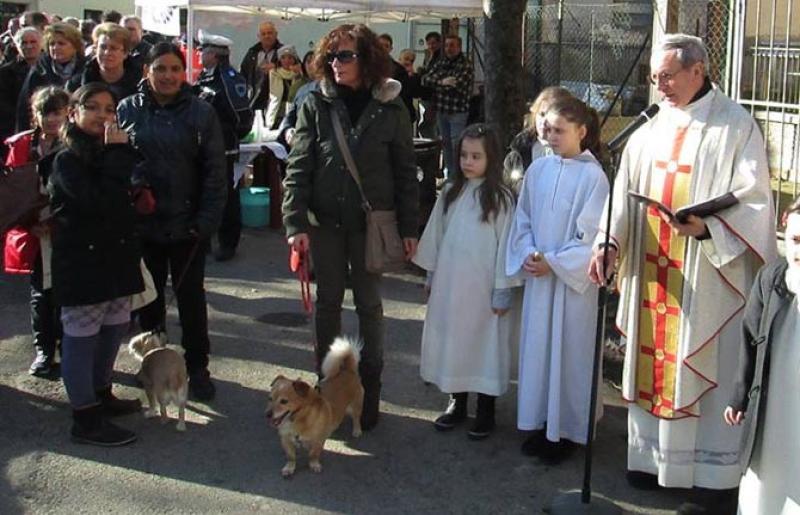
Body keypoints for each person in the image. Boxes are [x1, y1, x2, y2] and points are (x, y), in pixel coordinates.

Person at [587, 34, 776, 513]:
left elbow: (755, 200)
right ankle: (650, 461)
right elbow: (624, 193)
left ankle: (707, 475)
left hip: (706, 274)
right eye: (655, 77)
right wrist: (609, 243)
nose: (660, 86)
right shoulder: (648, 128)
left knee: (702, 361)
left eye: (668, 76)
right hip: (654, 271)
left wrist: (708, 228)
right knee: (652, 359)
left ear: (698, 70)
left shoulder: (735, 125)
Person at [282, 24, 419, 431]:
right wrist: (294, 222)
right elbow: (299, 164)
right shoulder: (315, 101)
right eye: (331, 57)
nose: (336, 64)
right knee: (327, 303)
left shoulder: (391, 106)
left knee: (369, 305)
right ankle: (327, 387)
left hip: (369, 225)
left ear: (367, 59)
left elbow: (405, 173)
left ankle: (369, 388)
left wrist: (409, 228)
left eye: (345, 56)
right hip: (324, 222)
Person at [118, 42, 226, 402]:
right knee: (148, 300)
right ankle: (153, 363)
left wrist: (207, 218)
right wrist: (134, 188)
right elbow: (118, 160)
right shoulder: (127, 108)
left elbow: (215, 170)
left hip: (188, 223)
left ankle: (197, 367)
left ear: (184, 73)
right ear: (146, 71)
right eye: (160, 68)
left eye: (175, 69)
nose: (167, 76)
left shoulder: (201, 111)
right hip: (143, 222)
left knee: (191, 300)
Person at [506, 96, 609, 464]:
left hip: (570, 285)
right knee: (540, 349)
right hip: (541, 277)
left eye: (559, 131)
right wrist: (527, 251)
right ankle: (541, 421)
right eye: (547, 129)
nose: (551, 136)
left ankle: (566, 430)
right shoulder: (538, 170)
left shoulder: (593, 177)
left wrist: (555, 262)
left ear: (581, 131)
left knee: (568, 353)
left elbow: (592, 234)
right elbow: (523, 218)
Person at [48, 82, 144, 446]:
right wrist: (118, 156)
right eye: (93, 107)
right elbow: (98, 202)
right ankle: (85, 417)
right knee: (81, 336)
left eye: (109, 109)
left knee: (114, 328)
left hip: (117, 258)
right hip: (83, 263)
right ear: (74, 113)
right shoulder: (66, 159)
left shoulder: (114, 151)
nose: (102, 116)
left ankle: (102, 392)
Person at [413, 123, 520, 440]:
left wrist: (502, 290)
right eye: (464, 155)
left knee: (485, 345)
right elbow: (436, 236)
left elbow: (506, 246)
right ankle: (456, 402)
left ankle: (486, 409)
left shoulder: (500, 199)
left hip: (483, 290)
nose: (468, 162)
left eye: (476, 156)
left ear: (491, 158)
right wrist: (431, 274)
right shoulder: (450, 192)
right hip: (451, 288)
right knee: (454, 342)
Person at [724, 197, 800, 515]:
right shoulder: (771, 279)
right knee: (766, 474)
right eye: (795, 240)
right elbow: (751, 338)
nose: (799, 251)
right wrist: (740, 395)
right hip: (772, 400)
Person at [4, 86, 69, 377]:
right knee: (41, 293)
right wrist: (29, 223)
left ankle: (68, 348)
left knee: (68, 292)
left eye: (58, 113)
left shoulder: (75, 143)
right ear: (35, 115)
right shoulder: (21, 145)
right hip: (34, 232)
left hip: (67, 231)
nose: (52, 119)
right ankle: (44, 350)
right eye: (46, 113)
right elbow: (11, 194)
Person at [194, 30, 254, 262]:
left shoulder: (230, 79)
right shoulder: (204, 77)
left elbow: (242, 117)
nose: (200, 54)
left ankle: (228, 243)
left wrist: (226, 136)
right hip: (202, 146)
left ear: (214, 55)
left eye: (203, 51)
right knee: (202, 192)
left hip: (223, 147)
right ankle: (205, 240)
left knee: (226, 194)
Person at [421, 34, 473, 179]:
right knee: (445, 145)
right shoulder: (441, 62)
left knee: (457, 145)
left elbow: (457, 85)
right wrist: (442, 82)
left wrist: (438, 83)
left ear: (459, 47)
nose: (449, 48)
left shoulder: (465, 65)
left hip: (457, 111)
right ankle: (450, 176)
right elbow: (425, 79)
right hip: (441, 110)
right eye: (447, 45)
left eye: (452, 45)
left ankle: (459, 177)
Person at [16, 22, 85, 132]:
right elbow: (25, 107)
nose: (55, 47)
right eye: (52, 44)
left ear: (74, 46)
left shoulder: (86, 69)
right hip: (45, 130)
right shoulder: (39, 70)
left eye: (61, 43)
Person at [504, 86, 574, 190]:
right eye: (541, 114)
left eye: (551, 115)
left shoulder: (575, 155)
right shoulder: (519, 151)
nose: (544, 121)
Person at [66, 23, 142, 101]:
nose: (107, 53)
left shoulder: (140, 83)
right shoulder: (77, 82)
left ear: (125, 53)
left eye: (113, 48)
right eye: (103, 47)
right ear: (95, 49)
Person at [0, 27, 42, 160]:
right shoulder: (5, 73)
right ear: (16, 45)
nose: (29, 46)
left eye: (33, 42)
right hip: (15, 131)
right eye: (23, 42)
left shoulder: (49, 69)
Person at [264, 45, 305, 140]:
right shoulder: (273, 73)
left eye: (290, 57)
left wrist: (301, 71)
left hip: (293, 113)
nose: (287, 61)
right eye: (283, 58)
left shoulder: (300, 75)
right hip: (276, 114)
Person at [240, 21, 283, 111]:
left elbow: (296, 69)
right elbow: (243, 74)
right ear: (259, 36)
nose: (267, 36)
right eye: (263, 34)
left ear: (276, 34)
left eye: (270, 33)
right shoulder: (252, 52)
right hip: (253, 99)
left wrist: (276, 68)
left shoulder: (283, 52)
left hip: (275, 99)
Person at [377, 33, 418, 126]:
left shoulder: (399, 69)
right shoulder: (368, 67)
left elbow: (407, 93)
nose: (383, 48)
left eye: (386, 46)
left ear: (391, 49)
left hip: (396, 114)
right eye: (380, 45)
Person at [416, 32, 442, 139]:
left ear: (439, 43)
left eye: (433, 43)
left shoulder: (440, 58)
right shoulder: (429, 55)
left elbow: (434, 77)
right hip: (425, 95)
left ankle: (432, 146)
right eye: (429, 43)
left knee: (428, 125)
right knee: (425, 124)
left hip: (433, 96)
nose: (431, 46)